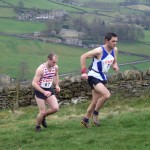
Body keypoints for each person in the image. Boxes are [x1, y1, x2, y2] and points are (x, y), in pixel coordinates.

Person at [80, 32, 119, 128]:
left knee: (94, 102)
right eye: (113, 41)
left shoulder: (115, 50)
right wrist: (84, 72)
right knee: (106, 94)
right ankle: (96, 113)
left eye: (116, 41)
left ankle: (85, 120)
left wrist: (115, 66)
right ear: (106, 41)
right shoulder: (99, 51)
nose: (115, 43)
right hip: (93, 76)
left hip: (102, 77)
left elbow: (114, 61)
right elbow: (83, 56)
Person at [32, 52, 60, 132]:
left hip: (49, 89)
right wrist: (43, 92)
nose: (54, 64)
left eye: (56, 62)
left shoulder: (55, 67)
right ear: (48, 60)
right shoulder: (41, 69)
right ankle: (38, 126)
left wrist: (57, 85)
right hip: (39, 90)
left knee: (55, 108)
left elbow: (55, 75)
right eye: (53, 62)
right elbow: (33, 83)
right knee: (42, 111)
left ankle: (43, 117)